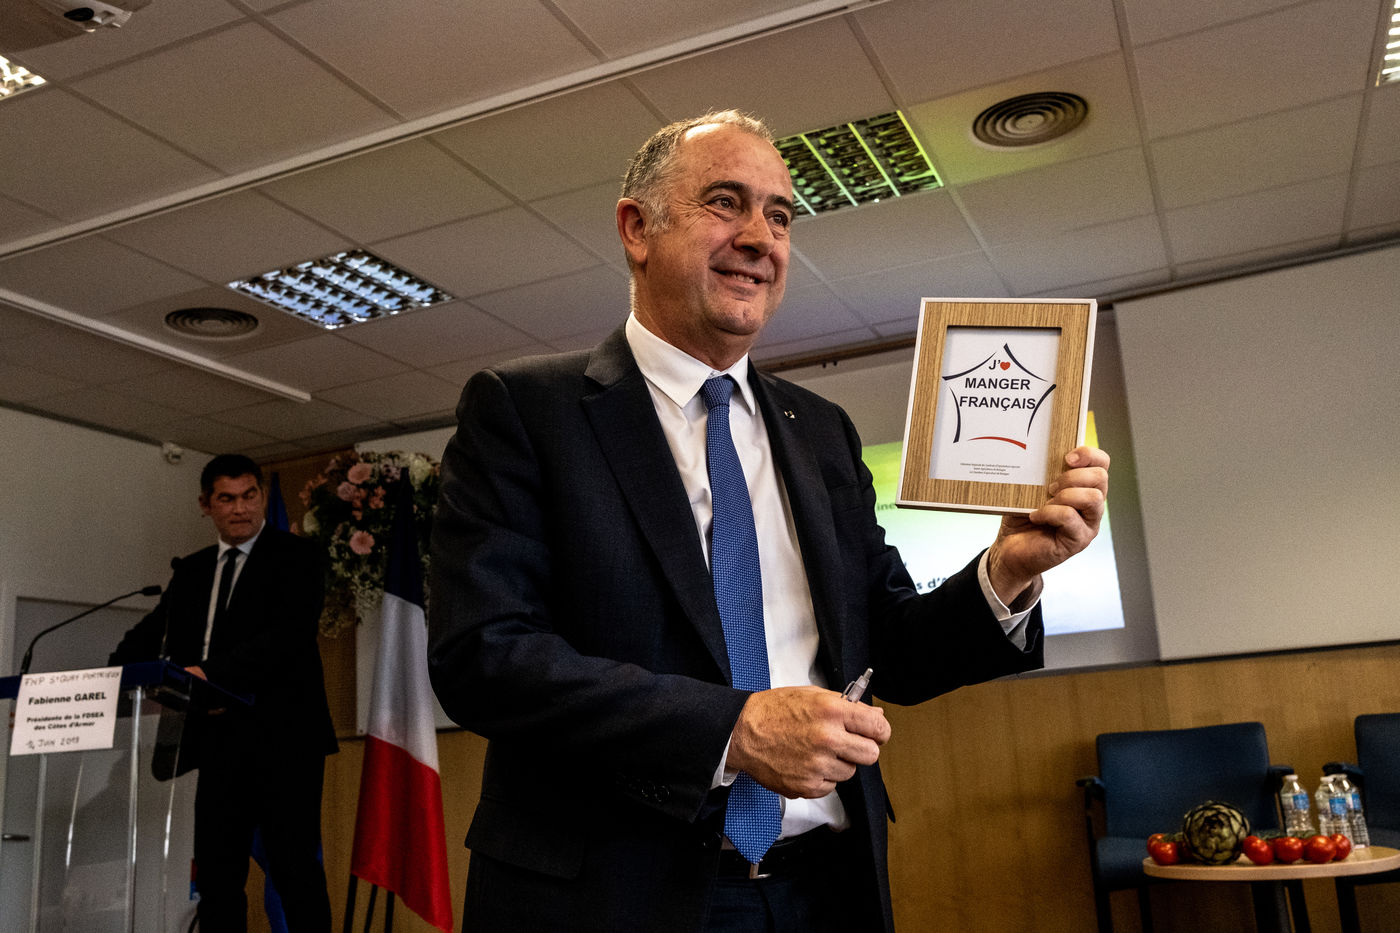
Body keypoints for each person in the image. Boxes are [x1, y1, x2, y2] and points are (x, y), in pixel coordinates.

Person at [426, 110, 1110, 933]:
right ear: (637, 228)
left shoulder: (819, 430)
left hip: (825, 889)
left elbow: (888, 646)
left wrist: (1008, 571)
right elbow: (483, 656)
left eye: (780, 216)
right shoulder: (525, 410)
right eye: (726, 202)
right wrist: (731, 729)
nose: (761, 237)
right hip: (614, 896)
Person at [109, 454, 336, 933]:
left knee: (294, 871)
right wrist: (98, 686)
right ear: (205, 505)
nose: (240, 508)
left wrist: (205, 674)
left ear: (262, 497)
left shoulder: (299, 557)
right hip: (215, 742)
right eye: (227, 499)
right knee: (217, 876)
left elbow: (286, 638)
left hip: (283, 742)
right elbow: (147, 638)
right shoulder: (192, 571)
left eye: (249, 496)